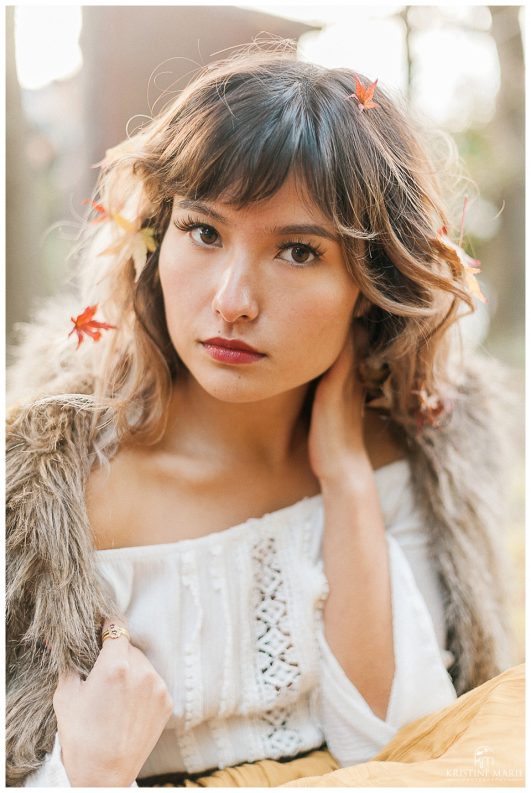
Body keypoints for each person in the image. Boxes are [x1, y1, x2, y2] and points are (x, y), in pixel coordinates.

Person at [6, 41, 518, 787]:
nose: (232, 300)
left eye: (299, 252)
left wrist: (343, 478)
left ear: (368, 283)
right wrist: (91, 768)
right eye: (204, 232)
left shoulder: (402, 461)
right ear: (155, 239)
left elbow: (390, 744)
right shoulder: (50, 494)